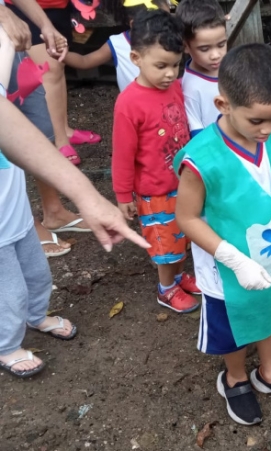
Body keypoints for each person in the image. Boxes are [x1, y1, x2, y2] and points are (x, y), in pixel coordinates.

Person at [175, 43, 271, 425]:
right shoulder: (201, 158)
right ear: (223, 105)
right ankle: (235, 376)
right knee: (232, 323)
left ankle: (268, 372)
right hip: (226, 265)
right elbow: (187, 218)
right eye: (257, 121)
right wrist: (235, 261)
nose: (268, 129)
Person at [0, 25, 149, 378]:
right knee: (10, 290)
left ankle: (36, 316)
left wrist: (9, 27)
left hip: (17, 218)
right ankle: (7, 345)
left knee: (37, 276)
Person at [112, 9, 200, 313]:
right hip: (154, 191)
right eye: (161, 66)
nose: (170, 74)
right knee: (165, 243)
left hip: (183, 183)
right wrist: (124, 195)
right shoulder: (128, 103)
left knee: (183, 235)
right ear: (136, 58)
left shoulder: (174, 86)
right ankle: (166, 288)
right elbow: (122, 155)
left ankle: (178, 276)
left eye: (176, 65)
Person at [0, 0, 93, 257]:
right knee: (7, 133)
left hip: (6, 38)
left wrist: (45, 24)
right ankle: (26, 222)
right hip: (3, 26)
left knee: (38, 119)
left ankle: (53, 211)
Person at [7, 0, 102, 165]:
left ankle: (64, 129)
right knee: (49, 69)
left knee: (59, 64)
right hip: (23, 7)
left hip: (58, 6)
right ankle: (58, 141)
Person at [61, 0, 170, 92]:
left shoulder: (168, 38)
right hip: (133, 107)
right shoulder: (118, 43)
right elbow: (85, 61)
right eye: (159, 24)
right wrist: (61, 54)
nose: (166, 28)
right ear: (133, 24)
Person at [175, 0, 226, 137]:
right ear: (185, 45)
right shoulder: (191, 87)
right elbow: (197, 133)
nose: (216, 55)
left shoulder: (231, 66)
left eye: (221, 45)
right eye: (204, 49)